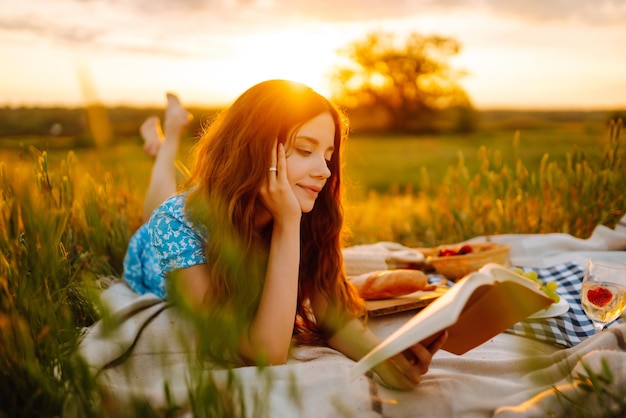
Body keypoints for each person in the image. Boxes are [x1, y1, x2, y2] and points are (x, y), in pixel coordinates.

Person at [122, 80, 447, 390]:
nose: (324, 170)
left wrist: (384, 358)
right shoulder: (175, 225)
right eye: (305, 150)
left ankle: (165, 140)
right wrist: (288, 224)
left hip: (231, 208)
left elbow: (334, 315)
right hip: (156, 256)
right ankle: (169, 140)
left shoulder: (308, 210)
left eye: (328, 156)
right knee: (156, 207)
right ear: (255, 149)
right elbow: (268, 352)